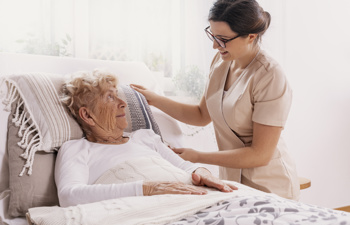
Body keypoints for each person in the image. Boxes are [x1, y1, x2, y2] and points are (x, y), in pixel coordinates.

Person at [131, 0, 300, 200]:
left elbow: (260, 154)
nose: (214, 45)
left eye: (222, 39)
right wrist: (154, 99)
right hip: (232, 182)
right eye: (212, 35)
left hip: (270, 185)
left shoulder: (270, 76)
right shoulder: (222, 60)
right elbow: (201, 115)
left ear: (251, 37)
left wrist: (197, 156)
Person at [55, 69, 236, 207]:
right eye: (110, 97)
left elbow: (184, 166)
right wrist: (147, 189)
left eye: (117, 95)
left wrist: (202, 171)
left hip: (196, 200)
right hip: (151, 210)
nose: (123, 103)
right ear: (87, 115)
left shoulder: (146, 137)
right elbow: (69, 195)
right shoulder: (76, 149)